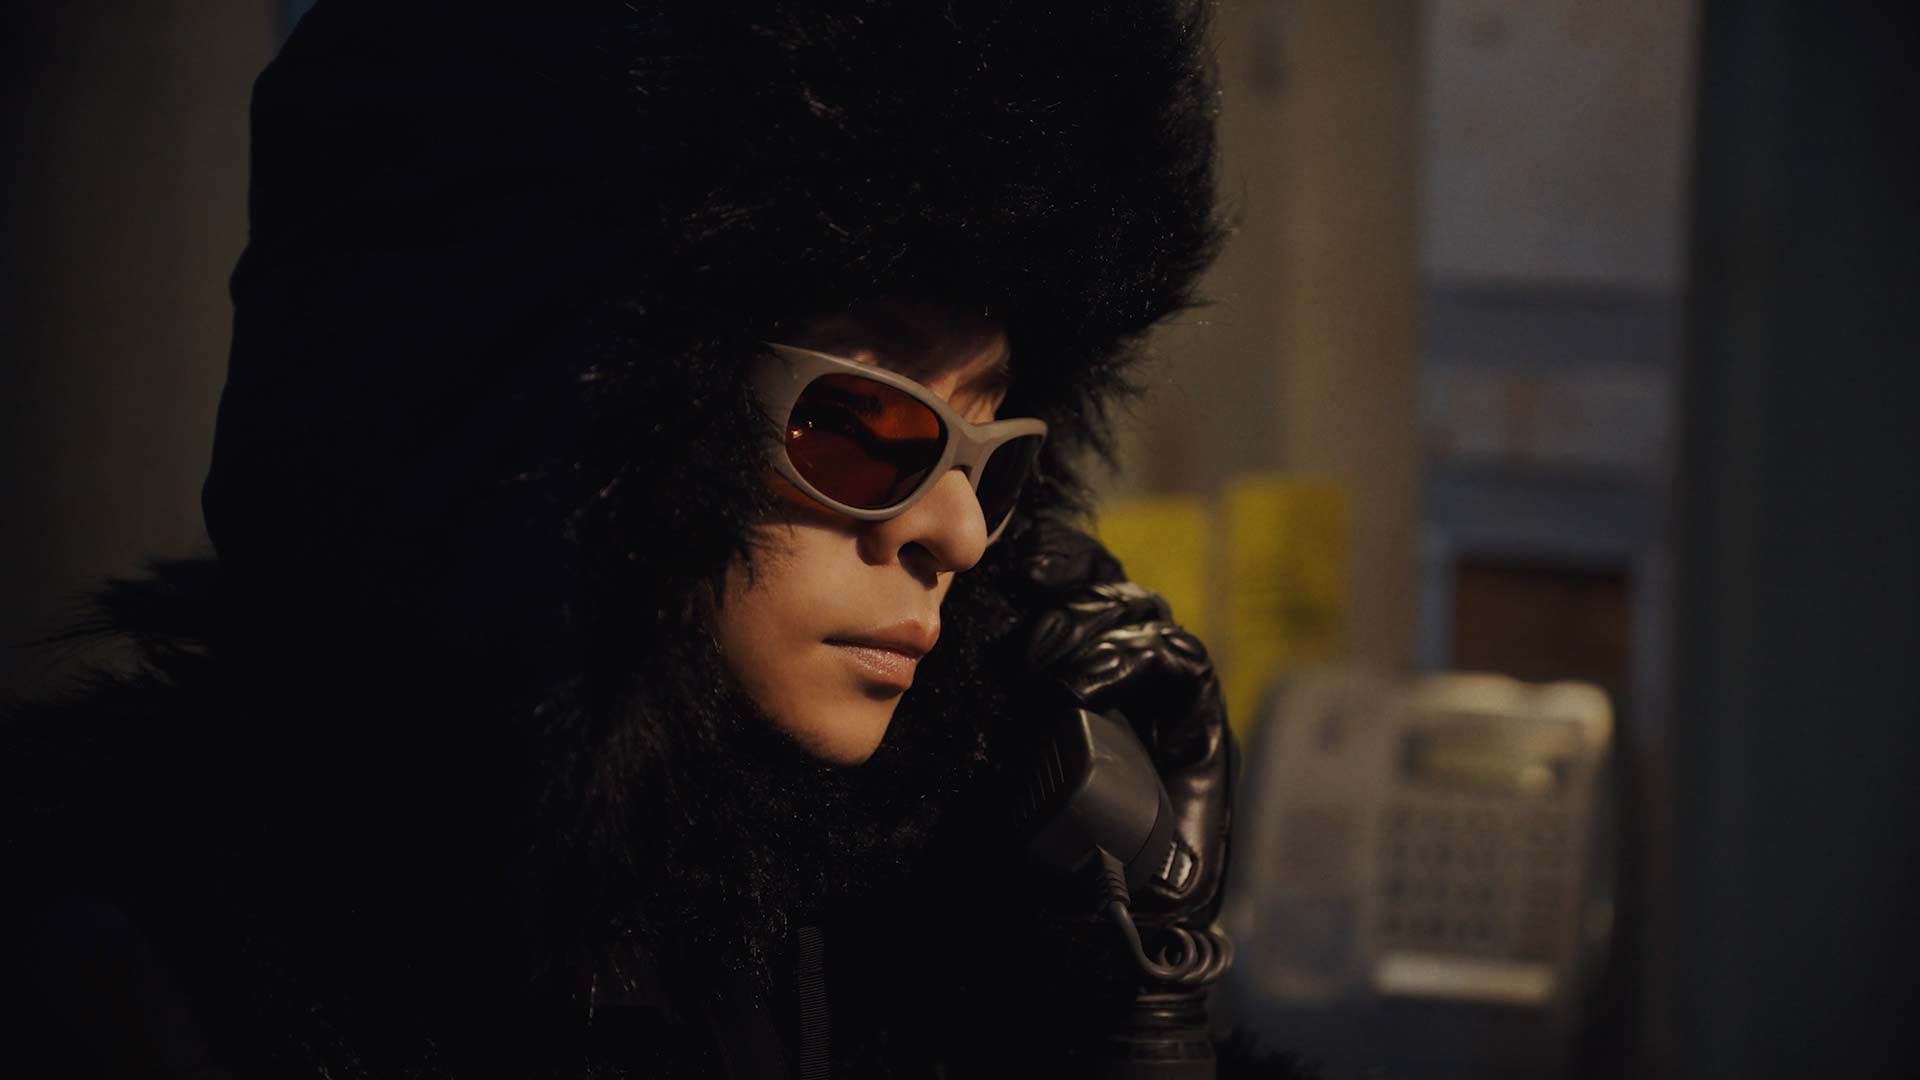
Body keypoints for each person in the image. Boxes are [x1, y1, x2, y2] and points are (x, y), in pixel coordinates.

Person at [3, 1, 1297, 1075]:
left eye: (999, 454)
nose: (958, 530)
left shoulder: (896, 921)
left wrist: (1140, 996)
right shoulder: (128, 981)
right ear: (569, 420)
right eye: (863, 423)